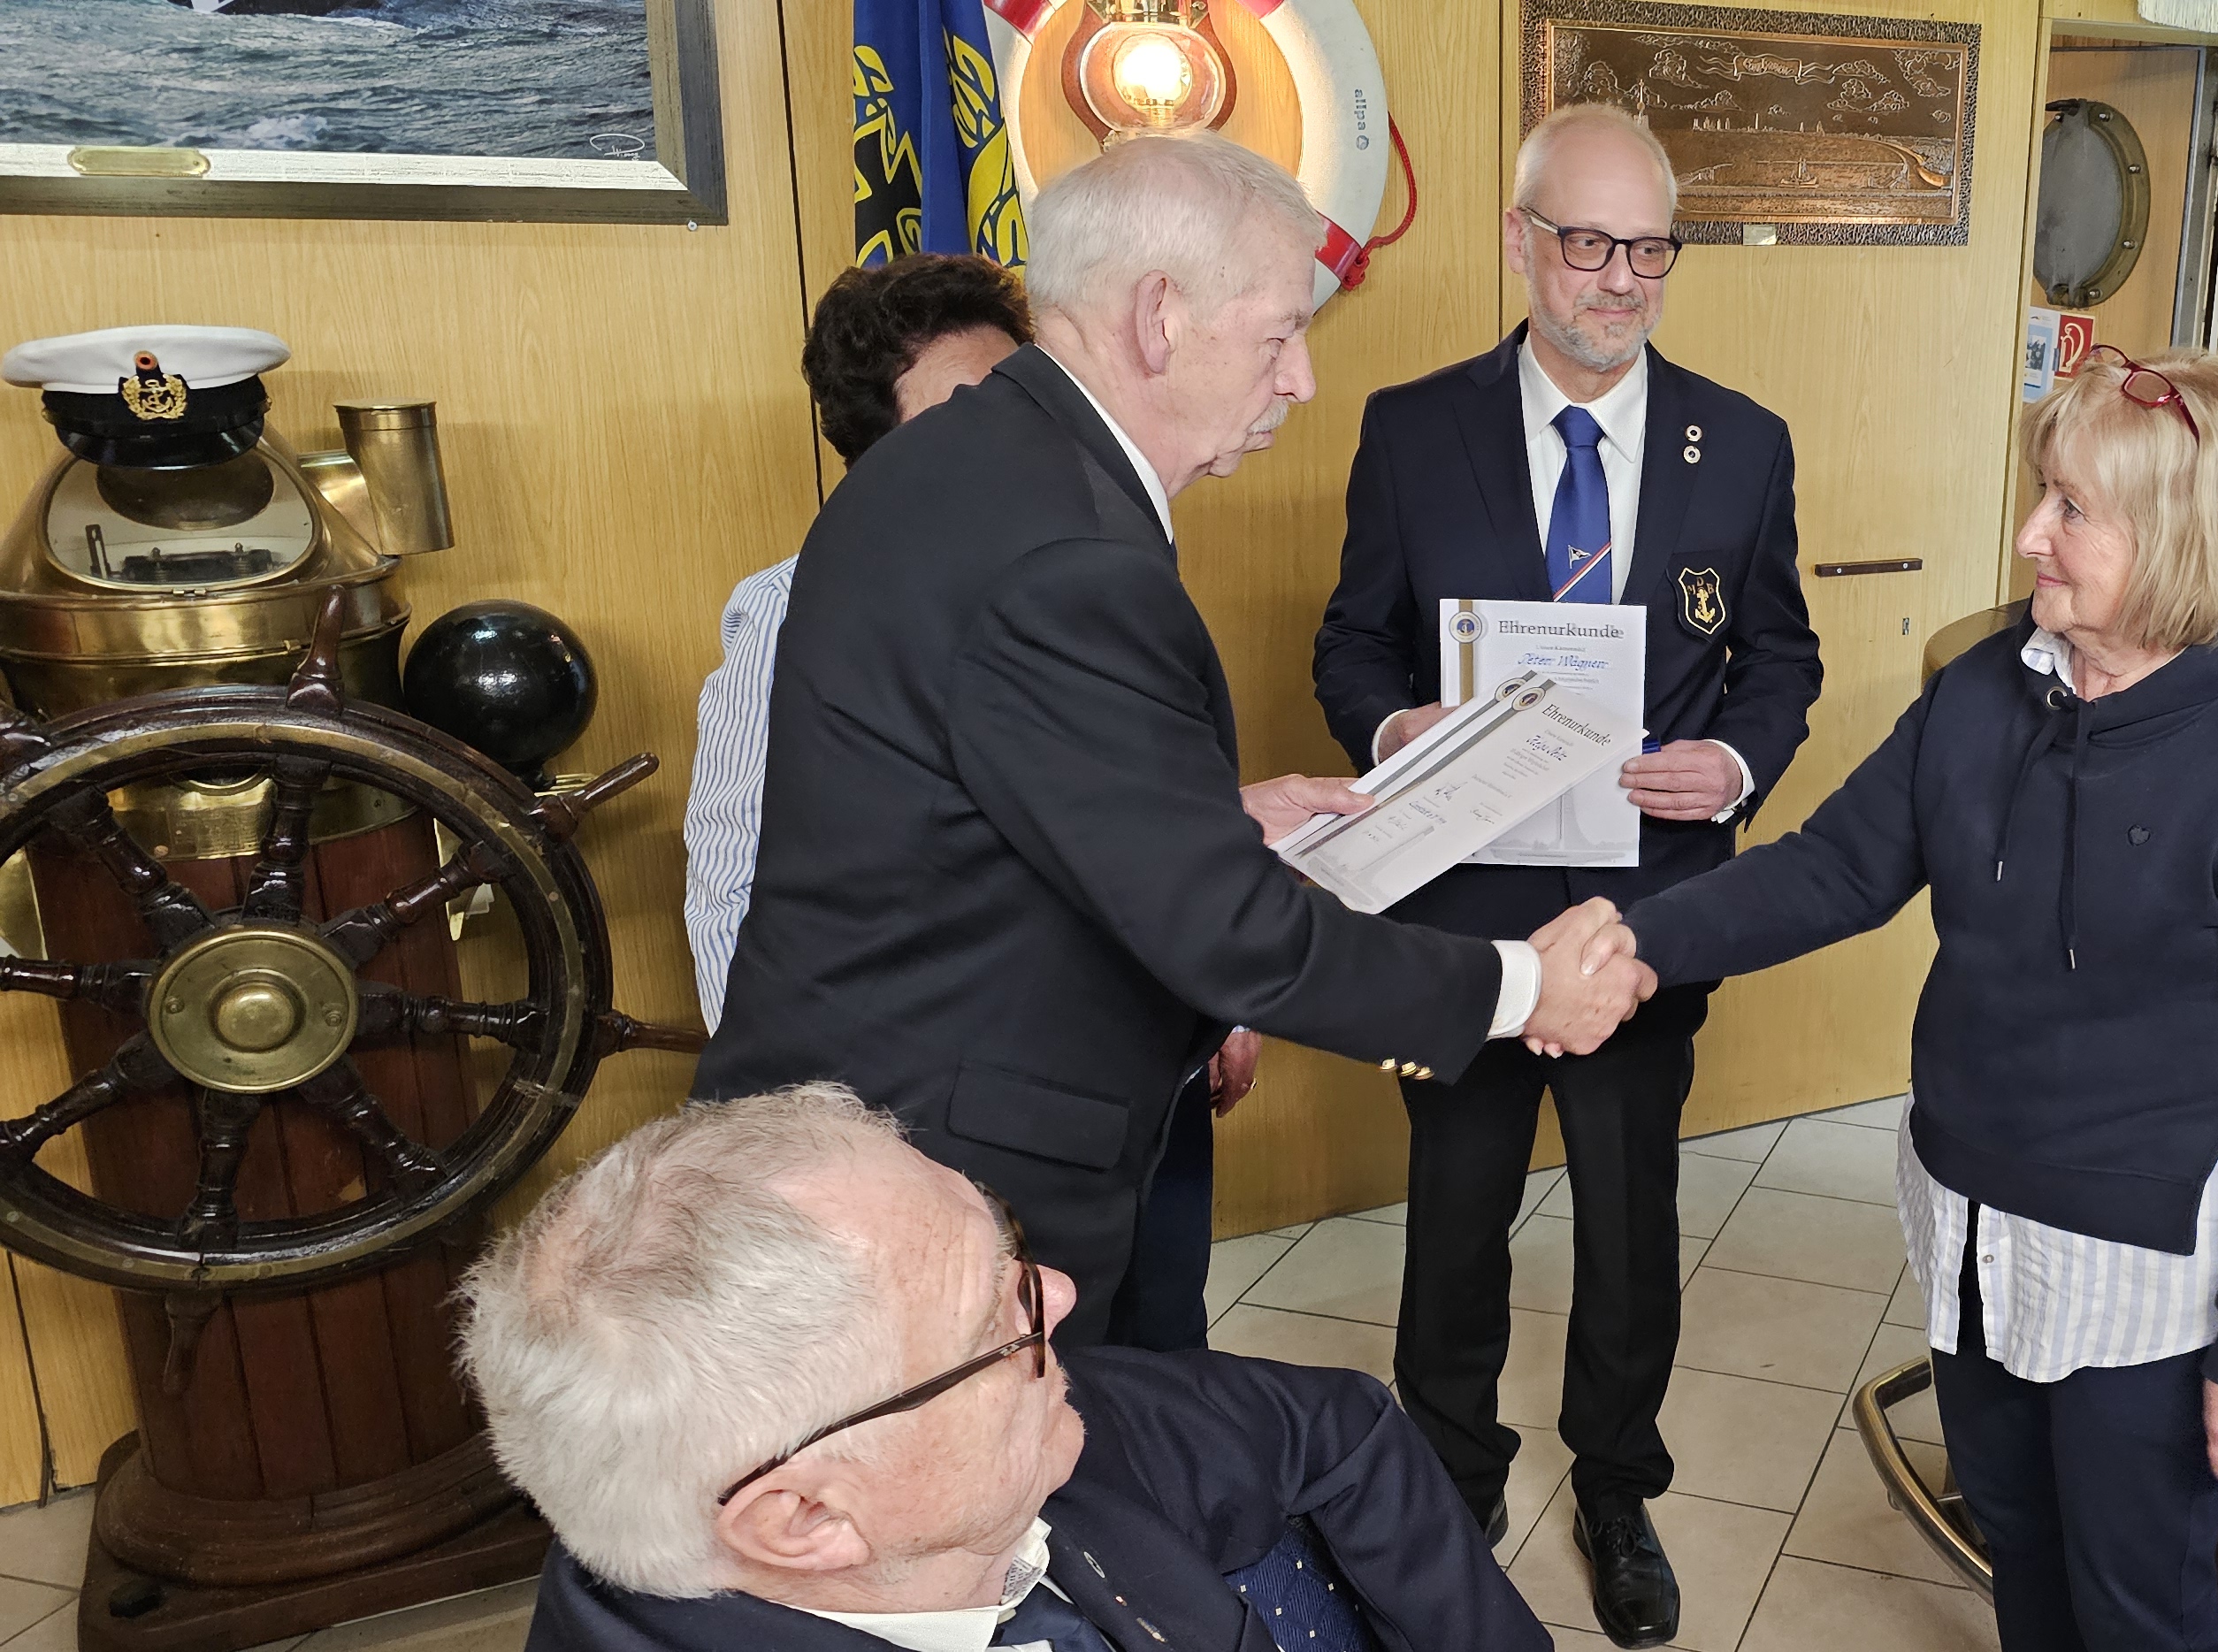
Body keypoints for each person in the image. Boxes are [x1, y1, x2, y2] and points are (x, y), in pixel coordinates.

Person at [694, 134, 1653, 1349]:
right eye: (1280, 334)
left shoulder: (968, 461)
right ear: (1158, 317)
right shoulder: (1066, 551)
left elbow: (979, 794)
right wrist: (1525, 987)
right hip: (938, 1175)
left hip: (878, 1132)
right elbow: (1230, 935)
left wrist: (1215, 816)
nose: (1302, 379)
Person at [1585, 347, 2218, 1650]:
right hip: (1972, 1235)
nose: (2029, 536)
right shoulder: (1988, 688)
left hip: (2139, 1277)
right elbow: (1836, 868)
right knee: (2018, 1552)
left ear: (2183, 532)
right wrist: (1635, 939)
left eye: (2072, 508)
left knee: (2137, 1611)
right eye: (2040, 495)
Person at [1310, 103, 1821, 1648]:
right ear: (1521, 239)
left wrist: (1734, 765)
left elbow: (1780, 657)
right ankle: (1447, 1485)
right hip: (1465, 913)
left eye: (1650, 249)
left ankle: (1616, 1485)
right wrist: (1396, 730)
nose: (1620, 280)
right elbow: (1354, 640)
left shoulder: (1741, 441)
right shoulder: (1415, 427)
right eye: (1589, 242)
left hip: (1648, 913)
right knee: (1456, 1213)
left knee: (1628, 1220)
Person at [465, 1084, 1549, 1652]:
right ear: (806, 1517)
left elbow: (1334, 1422)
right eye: (998, 1320)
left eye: (1009, 1247)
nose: (1060, 1294)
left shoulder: (1029, 1440)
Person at [684, 253, 1032, 1033]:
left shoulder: (1082, 580)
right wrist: (780, 1091)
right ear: (882, 449)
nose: (1013, 434)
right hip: (898, 1061)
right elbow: (733, 876)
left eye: (1024, 397)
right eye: (966, 412)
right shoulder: (792, 607)